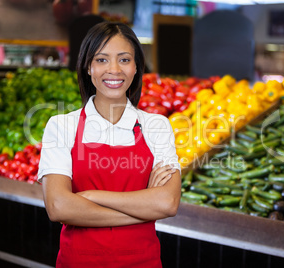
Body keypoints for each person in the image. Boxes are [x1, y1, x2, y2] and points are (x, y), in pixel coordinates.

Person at [37, 21, 181, 267]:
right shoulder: (61, 126)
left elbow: (167, 203)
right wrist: (142, 209)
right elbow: (59, 207)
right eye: (102, 60)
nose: (114, 69)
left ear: (136, 68)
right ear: (88, 67)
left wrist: (90, 197)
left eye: (124, 60)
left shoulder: (157, 126)